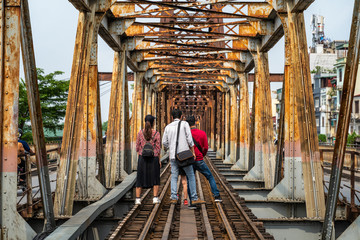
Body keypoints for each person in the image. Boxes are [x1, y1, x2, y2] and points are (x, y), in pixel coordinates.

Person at [162, 109, 205, 205]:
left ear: (172, 117)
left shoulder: (168, 127)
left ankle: (173, 197)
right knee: (190, 176)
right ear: (181, 116)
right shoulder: (185, 124)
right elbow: (190, 140)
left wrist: (171, 147)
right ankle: (193, 198)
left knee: (174, 176)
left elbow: (164, 142)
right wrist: (193, 152)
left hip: (173, 156)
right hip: (184, 155)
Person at [186, 115, 222, 202]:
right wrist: (202, 155)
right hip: (199, 160)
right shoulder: (202, 133)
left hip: (189, 160)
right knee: (209, 176)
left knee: (190, 180)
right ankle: (216, 196)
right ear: (195, 122)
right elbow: (205, 147)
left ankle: (191, 201)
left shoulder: (186, 134)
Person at [135, 115, 161, 205]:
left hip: (142, 158)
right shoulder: (156, 133)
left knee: (140, 178)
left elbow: (137, 147)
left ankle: (138, 199)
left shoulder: (140, 133)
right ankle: (155, 198)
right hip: (153, 158)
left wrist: (141, 154)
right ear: (153, 123)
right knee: (155, 178)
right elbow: (158, 148)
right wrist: (158, 159)